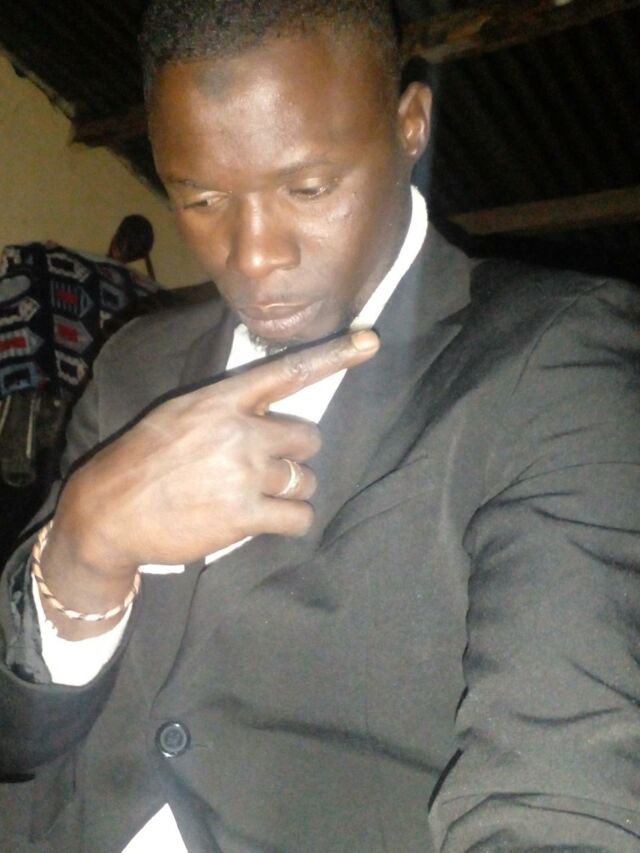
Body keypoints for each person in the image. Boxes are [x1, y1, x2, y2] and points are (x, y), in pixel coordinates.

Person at [1, 0, 639, 850]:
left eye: (307, 188)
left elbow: (564, 784)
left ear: (410, 126)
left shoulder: (555, 358)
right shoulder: (136, 366)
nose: (253, 254)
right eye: (201, 198)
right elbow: (16, 733)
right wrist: (83, 551)